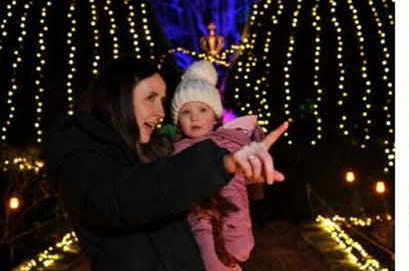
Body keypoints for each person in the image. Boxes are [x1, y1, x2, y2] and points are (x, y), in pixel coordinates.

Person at [44, 56, 287, 271]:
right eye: (150, 97)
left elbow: (173, 186)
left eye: (162, 100)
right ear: (119, 97)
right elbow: (128, 195)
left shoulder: (148, 149)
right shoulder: (81, 156)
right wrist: (220, 164)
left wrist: (234, 176)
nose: (161, 111)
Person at [171, 60, 263, 271]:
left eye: (202, 109)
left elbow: (239, 183)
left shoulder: (226, 141)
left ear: (215, 116)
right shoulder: (176, 149)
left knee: (232, 202)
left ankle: (237, 234)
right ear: (178, 120)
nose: (194, 117)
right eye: (186, 112)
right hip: (197, 218)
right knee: (206, 250)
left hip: (226, 212)